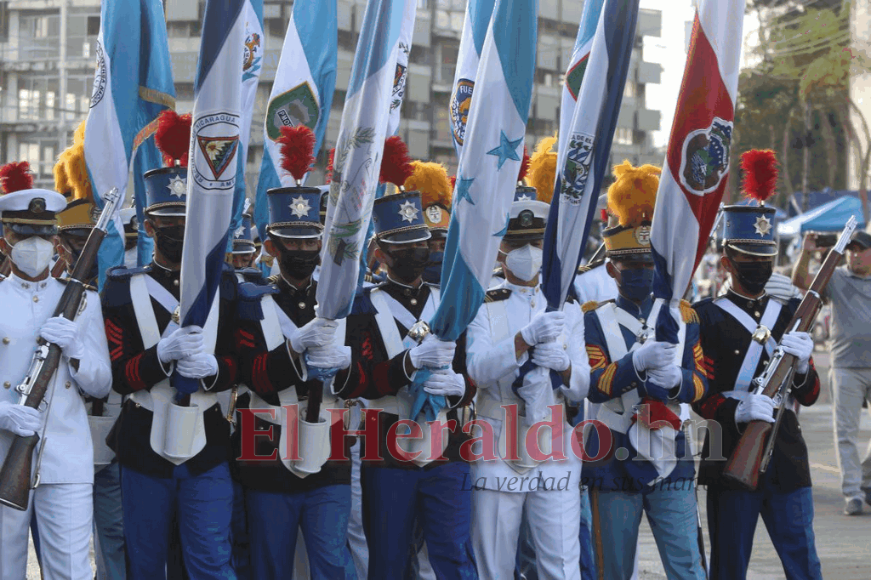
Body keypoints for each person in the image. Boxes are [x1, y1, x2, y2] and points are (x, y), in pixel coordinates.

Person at [101, 112, 240, 579]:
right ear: (148, 222)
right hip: (144, 438)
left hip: (209, 440)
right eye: (167, 219)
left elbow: (241, 364)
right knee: (145, 560)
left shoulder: (230, 287)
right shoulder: (121, 288)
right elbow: (116, 374)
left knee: (210, 558)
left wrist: (213, 368)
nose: (179, 229)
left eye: (188, 218)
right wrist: (160, 357)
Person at [335, 189, 477, 579]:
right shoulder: (361, 306)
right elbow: (358, 379)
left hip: (447, 440)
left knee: (453, 551)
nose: (416, 252)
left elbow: (470, 370)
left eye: (420, 243)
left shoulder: (447, 300)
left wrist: (460, 385)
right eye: (403, 245)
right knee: (389, 555)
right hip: (386, 441)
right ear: (379, 252)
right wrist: (408, 363)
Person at [693, 150, 822, 580]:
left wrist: (802, 367)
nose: (759, 269)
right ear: (727, 261)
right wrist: (736, 411)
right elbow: (699, 393)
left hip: (786, 453)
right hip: (729, 451)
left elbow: (811, 393)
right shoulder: (704, 316)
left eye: (765, 260)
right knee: (729, 566)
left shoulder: (789, 311)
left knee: (804, 563)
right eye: (749, 261)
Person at [581, 161, 707, 580]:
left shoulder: (683, 315)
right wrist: (635, 364)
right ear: (612, 269)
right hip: (613, 452)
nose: (641, 274)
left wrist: (680, 382)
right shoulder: (593, 320)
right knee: (613, 568)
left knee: (687, 564)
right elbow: (595, 386)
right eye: (631, 267)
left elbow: (703, 380)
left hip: (672, 449)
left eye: (648, 265)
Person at [465, 179, 589, 580]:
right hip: (498, 437)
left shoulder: (568, 308)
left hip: (553, 437)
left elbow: (583, 385)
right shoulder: (484, 304)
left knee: (561, 563)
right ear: (500, 249)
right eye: (517, 243)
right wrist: (523, 341)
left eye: (535, 242)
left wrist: (565, 366)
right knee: (494, 564)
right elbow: (478, 371)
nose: (527, 253)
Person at [233, 181, 356, 579]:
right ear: (270, 246)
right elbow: (253, 375)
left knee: (333, 561)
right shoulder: (250, 301)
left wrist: (348, 364)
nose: (302, 252)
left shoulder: (342, 299)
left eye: (309, 243)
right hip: (266, 442)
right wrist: (294, 347)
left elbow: (364, 380)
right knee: (271, 562)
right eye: (292, 243)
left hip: (331, 441)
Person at [0, 160, 112, 580]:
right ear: (4, 240)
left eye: (44, 234)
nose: (35, 243)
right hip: (2, 453)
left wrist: (77, 346)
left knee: (71, 571)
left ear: (56, 241)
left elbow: (101, 382)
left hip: (66, 457)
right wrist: (3, 412)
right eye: (22, 234)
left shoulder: (83, 301)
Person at [54, 190, 127, 580]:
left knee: (115, 531)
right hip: (64, 427)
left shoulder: (122, 288)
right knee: (61, 538)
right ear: (61, 244)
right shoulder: (48, 293)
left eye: (94, 243)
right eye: (80, 244)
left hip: (114, 424)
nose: (88, 252)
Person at [793, 228, 871, 515]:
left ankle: (865, 478)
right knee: (846, 433)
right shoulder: (836, 277)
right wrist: (807, 251)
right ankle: (853, 492)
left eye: (861, 249)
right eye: (851, 249)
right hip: (846, 366)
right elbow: (800, 281)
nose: (855, 254)